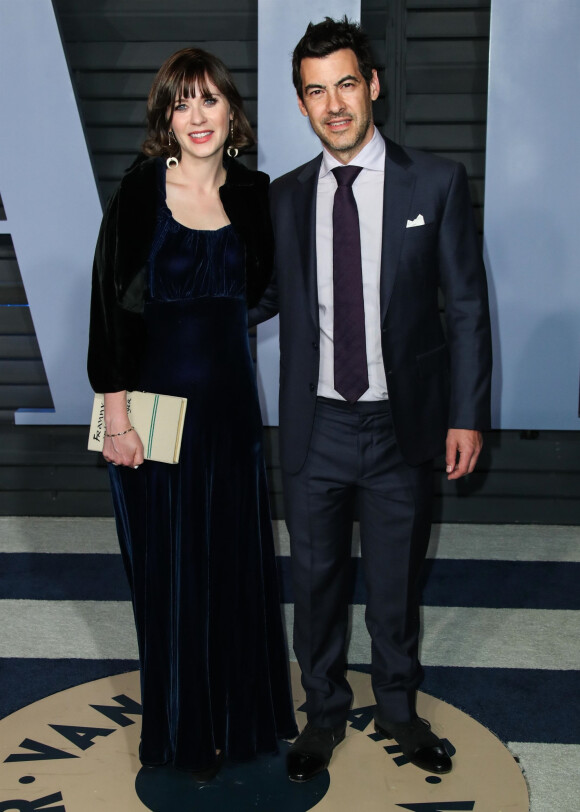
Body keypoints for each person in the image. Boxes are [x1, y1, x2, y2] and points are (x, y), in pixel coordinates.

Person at [249, 18, 492, 782]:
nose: (334, 105)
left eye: (346, 84)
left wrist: (466, 413)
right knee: (314, 582)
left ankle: (396, 707)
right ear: (300, 105)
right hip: (316, 424)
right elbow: (252, 298)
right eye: (316, 91)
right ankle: (321, 712)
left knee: (395, 580)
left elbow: (468, 308)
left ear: (374, 85)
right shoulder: (282, 199)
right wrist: (155, 322)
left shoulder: (437, 182)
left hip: (401, 425)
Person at [87, 47, 297, 779]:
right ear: (164, 119)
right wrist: (117, 417)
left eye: (209, 100)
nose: (197, 116)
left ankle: (240, 723)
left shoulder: (254, 192)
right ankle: (181, 729)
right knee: (172, 574)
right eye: (182, 103)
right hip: (154, 416)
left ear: (231, 113)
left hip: (232, 412)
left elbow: (263, 287)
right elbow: (109, 310)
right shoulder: (141, 192)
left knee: (235, 566)